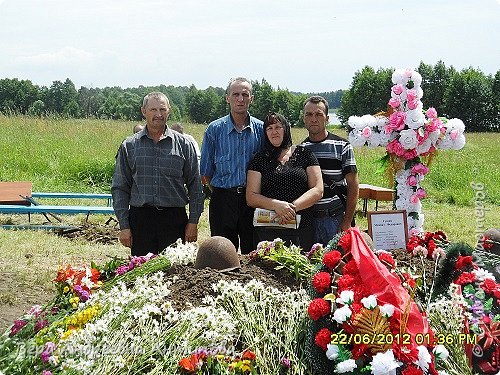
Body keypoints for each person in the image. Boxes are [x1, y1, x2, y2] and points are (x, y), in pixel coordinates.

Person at [112, 92, 204, 256]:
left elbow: (195, 185)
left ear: (169, 111)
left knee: (175, 273)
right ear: (143, 111)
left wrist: (193, 221)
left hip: (174, 219)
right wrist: (124, 225)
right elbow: (120, 187)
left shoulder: (184, 144)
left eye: (162, 109)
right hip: (141, 219)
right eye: (153, 109)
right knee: (142, 274)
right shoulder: (130, 145)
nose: (158, 114)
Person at [200, 77, 264, 254]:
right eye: (236, 94)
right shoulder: (214, 129)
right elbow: (206, 173)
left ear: (252, 98)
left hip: (253, 202)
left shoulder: (262, 130)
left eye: (245, 94)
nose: (240, 99)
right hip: (222, 201)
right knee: (222, 254)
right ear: (227, 97)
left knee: (253, 254)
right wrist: (224, 193)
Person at [246, 112, 323, 252]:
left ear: (286, 129)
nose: (274, 132)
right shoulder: (259, 159)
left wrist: (291, 208)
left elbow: (318, 189)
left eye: (278, 127)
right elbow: (251, 196)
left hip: (300, 225)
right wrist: (276, 205)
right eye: (269, 128)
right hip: (268, 228)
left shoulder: (305, 154)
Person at [302, 96, 359, 245]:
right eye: (309, 114)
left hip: (335, 220)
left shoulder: (342, 146)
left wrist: (347, 221)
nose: (313, 119)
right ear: (303, 119)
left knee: (338, 265)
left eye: (318, 114)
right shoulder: (300, 150)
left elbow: (353, 185)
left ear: (327, 118)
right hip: (309, 222)